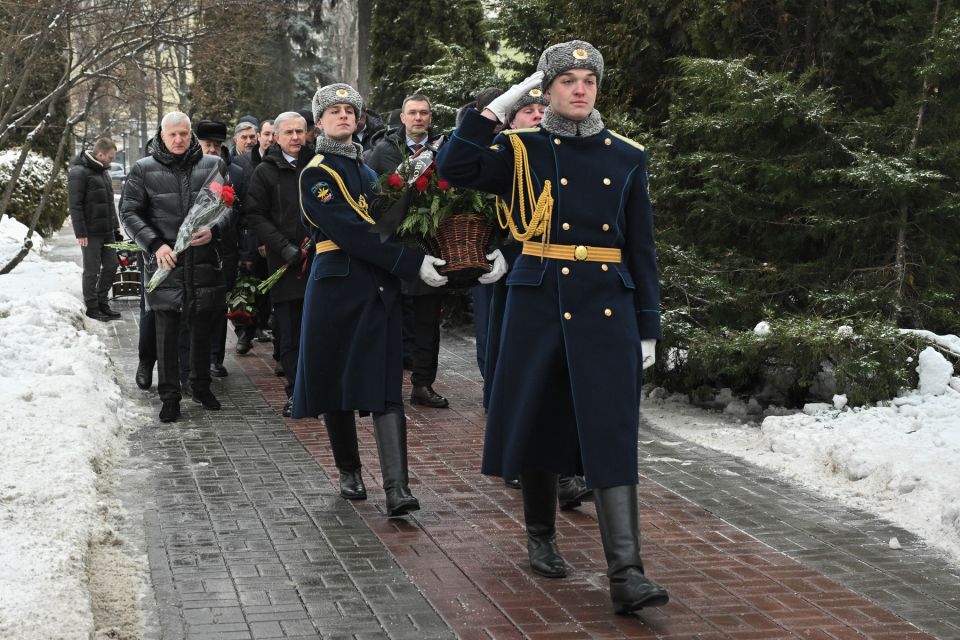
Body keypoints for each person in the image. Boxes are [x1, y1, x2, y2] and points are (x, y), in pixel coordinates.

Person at [437, 40, 669, 613]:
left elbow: (641, 247)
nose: (580, 88)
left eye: (589, 79)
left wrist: (648, 325)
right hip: (539, 301)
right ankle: (541, 535)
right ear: (547, 89)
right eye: (567, 80)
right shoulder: (521, 149)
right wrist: (499, 105)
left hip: (606, 304)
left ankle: (627, 573)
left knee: (613, 429)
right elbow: (454, 166)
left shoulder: (626, 155)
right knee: (538, 415)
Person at [292, 83, 448, 517]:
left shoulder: (368, 173)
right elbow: (354, 231)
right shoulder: (317, 172)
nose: (343, 116)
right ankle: (349, 471)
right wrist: (409, 261)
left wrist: (415, 191)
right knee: (336, 381)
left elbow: (387, 223)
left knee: (385, 384)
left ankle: (397, 488)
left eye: (350, 111)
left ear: (359, 121)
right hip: (337, 288)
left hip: (377, 286)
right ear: (319, 122)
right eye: (334, 111)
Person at [120, 111, 227, 423]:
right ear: (162, 136)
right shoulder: (144, 169)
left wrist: (214, 228)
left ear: (191, 134)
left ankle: (201, 386)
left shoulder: (212, 165)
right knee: (165, 330)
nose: (179, 140)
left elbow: (230, 206)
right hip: (165, 261)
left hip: (202, 259)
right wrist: (155, 244)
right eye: (173, 135)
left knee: (202, 325)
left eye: (184, 134)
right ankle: (169, 397)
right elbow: (129, 212)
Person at [367, 94, 450, 408]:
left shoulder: (442, 150)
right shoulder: (382, 152)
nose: (418, 118)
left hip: (431, 245)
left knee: (428, 321)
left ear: (430, 117)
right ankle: (385, 386)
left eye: (424, 113)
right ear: (401, 117)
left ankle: (423, 384)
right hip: (393, 248)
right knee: (390, 320)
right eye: (412, 113)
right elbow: (372, 197)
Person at [244, 111, 314, 417]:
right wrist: (283, 247)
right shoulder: (265, 171)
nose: (296, 137)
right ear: (276, 137)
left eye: (300, 131)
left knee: (318, 331)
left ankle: (319, 390)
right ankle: (296, 393)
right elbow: (255, 215)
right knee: (290, 331)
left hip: (319, 259)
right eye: (289, 133)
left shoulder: (317, 164)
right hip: (285, 263)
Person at [196, 119, 242, 378]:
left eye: (216, 145)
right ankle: (198, 358)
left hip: (224, 247)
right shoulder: (190, 168)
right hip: (196, 248)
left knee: (218, 307)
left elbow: (234, 208)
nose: (212, 149)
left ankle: (216, 358)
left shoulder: (230, 170)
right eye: (207, 144)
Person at [68, 137, 122, 321]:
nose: (112, 160)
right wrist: (80, 232)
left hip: (107, 231)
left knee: (112, 265)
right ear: (100, 154)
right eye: (111, 156)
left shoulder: (103, 172)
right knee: (92, 270)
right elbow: (74, 205)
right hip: (90, 232)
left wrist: (115, 228)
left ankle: (102, 302)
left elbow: (109, 204)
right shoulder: (79, 172)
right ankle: (92, 307)